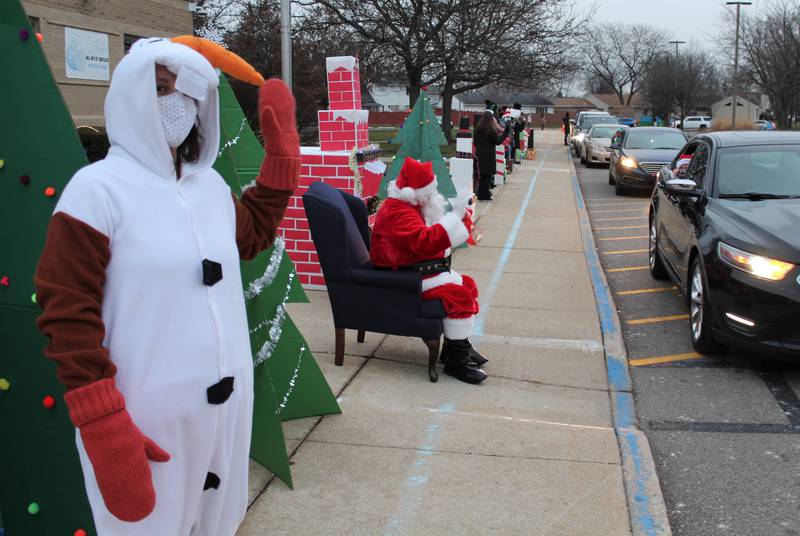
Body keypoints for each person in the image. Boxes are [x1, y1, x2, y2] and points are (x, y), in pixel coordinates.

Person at [33, 37, 298, 534]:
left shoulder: (209, 188)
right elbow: (66, 309)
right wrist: (101, 421)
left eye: (185, 93)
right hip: (145, 420)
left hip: (224, 418)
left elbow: (252, 236)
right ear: (130, 94)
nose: (174, 104)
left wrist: (281, 159)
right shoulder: (96, 191)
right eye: (159, 88)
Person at [370, 157, 488, 384]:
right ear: (414, 192)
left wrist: (458, 220)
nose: (433, 195)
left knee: (467, 284)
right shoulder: (399, 212)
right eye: (429, 191)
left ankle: (456, 346)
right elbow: (423, 241)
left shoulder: (410, 206)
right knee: (459, 295)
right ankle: (456, 362)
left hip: (413, 269)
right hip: (403, 278)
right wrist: (454, 217)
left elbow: (426, 239)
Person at [474, 110, 510, 200]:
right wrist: (506, 133)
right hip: (489, 154)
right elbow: (497, 141)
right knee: (488, 175)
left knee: (482, 175)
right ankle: (485, 195)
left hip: (480, 153)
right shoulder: (490, 130)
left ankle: (481, 194)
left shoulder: (477, 128)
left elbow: (475, 142)